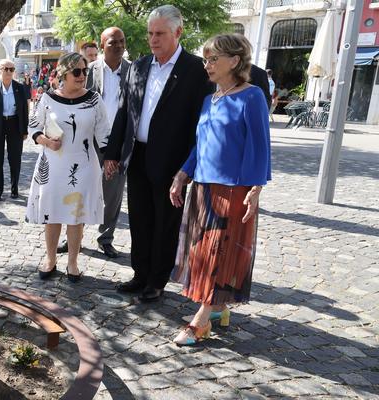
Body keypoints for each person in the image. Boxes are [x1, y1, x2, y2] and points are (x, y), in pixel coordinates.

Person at [103, 5, 214, 303]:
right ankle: (140, 274)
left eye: (160, 34)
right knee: (139, 219)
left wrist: (188, 167)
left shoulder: (195, 70)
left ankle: (156, 280)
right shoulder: (138, 66)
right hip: (137, 155)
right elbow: (124, 111)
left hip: (172, 160)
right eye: (150, 33)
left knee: (165, 222)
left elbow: (201, 123)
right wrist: (113, 152)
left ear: (178, 33)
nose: (153, 39)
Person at [168, 34, 271, 345]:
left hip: (233, 189)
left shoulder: (252, 96)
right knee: (202, 251)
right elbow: (201, 145)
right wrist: (182, 174)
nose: (207, 65)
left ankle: (200, 322)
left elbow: (260, 146)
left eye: (214, 59)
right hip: (203, 186)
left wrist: (256, 188)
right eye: (206, 59)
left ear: (235, 61)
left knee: (219, 253)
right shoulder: (209, 99)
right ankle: (217, 308)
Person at [27, 52, 111, 283]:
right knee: (52, 213)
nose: (82, 75)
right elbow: (34, 126)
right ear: (64, 74)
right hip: (53, 165)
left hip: (84, 165)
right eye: (77, 71)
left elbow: (104, 133)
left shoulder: (94, 99)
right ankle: (50, 259)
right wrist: (46, 141)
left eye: (85, 71)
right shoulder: (48, 98)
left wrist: (112, 159)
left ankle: (73, 262)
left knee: (76, 216)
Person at [57, 27, 129, 258]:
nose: (118, 46)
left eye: (122, 41)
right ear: (102, 44)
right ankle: (72, 238)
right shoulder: (88, 70)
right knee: (77, 189)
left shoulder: (133, 71)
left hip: (117, 144)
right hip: (87, 141)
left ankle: (105, 238)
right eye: (113, 42)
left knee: (112, 195)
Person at [0, 60, 28, 201]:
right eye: (6, 69)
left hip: (15, 125)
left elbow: (24, 110)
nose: (9, 72)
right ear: (0, 70)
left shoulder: (19, 88)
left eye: (11, 69)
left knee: (15, 158)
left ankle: (14, 189)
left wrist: (24, 130)